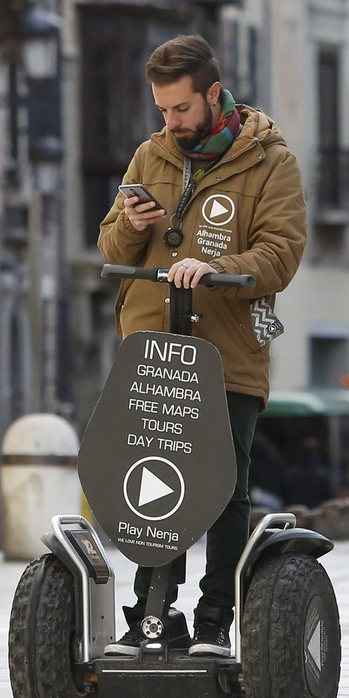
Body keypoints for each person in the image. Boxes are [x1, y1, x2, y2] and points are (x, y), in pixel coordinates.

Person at [96, 35, 306, 658]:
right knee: (148, 480)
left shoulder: (270, 162)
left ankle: (215, 619)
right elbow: (110, 247)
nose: (172, 122)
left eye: (182, 109)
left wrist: (214, 268)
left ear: (214, 95)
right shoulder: (149, 156)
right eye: (162, 110)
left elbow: (280, 253)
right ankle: (151, 616)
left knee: (224, 486)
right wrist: (131, 225)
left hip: (227, 351)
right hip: (154, 353)